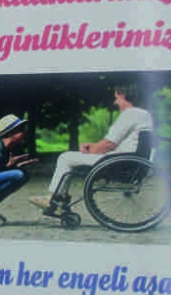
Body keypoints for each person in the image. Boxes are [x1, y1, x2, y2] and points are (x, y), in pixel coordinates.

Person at [28, 83, 153, 212]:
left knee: (66, 157)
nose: (115, 102)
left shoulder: (130, 114)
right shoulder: (145, 115)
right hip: (130, 161)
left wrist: (89, 150)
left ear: (123, 96)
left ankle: (53, 198)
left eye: (116, 98)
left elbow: (109, 145)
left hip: (119, 163)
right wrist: (93, 146)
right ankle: (60, 198)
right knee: (70, 158)